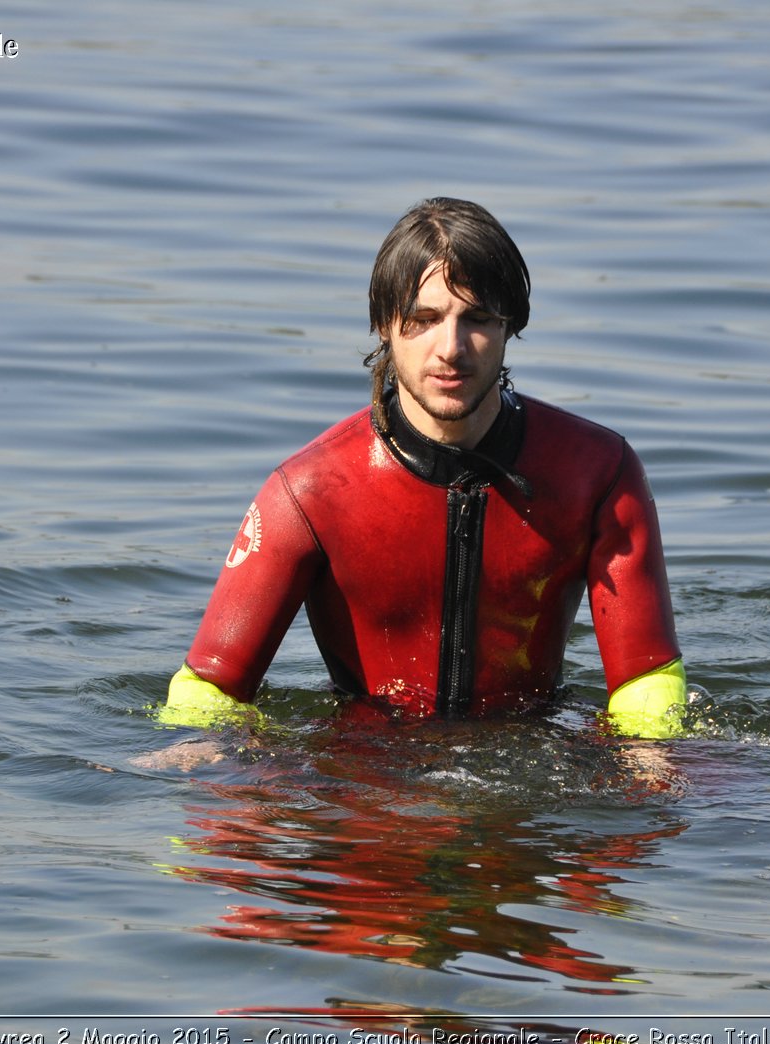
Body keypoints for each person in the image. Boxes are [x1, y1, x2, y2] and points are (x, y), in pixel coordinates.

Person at [161, 197, 687, 739]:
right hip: (365, 778)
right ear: (384, 326)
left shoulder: (594, 473)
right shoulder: (310, 492)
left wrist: (650, 781)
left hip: (532, 761)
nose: (451, 348)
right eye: (423, 319)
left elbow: (647, 685)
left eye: (478, 318)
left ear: (512, 326)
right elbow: (210, 691)